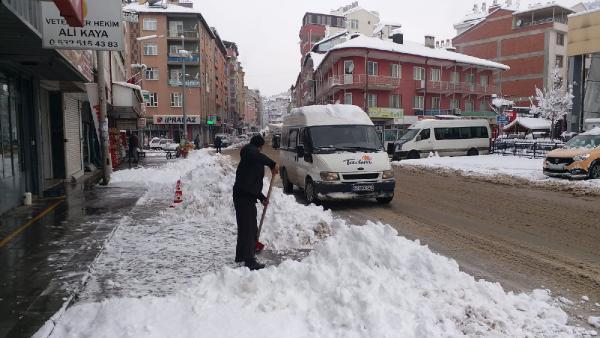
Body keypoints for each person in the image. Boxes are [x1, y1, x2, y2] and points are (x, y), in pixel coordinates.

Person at [233, 135, 278, 270]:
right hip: (243, 197)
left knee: (246, 227)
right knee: (249, 229)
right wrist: (271, 163)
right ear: (260, 146)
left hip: (245, 195)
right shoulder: (249, 152)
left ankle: (241, 255)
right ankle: (249, 260)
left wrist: (261, 197)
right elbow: (257, 157)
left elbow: (250, 183)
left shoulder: (251, 158)